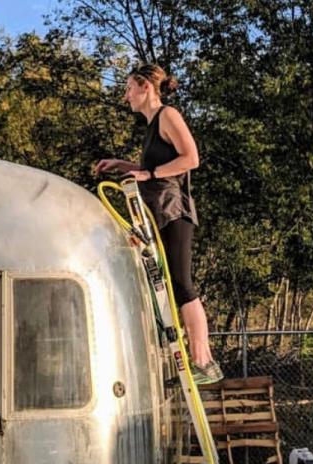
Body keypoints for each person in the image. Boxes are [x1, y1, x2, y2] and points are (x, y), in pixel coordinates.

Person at [95, 63, 223, 384]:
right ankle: (188, 358)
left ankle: (204, 362)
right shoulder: (153, 125)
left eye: (128, 89)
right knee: (167, 283)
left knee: (182, 283)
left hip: (174, 209)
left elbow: (190, 159)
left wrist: (148, 174)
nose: (125, 97)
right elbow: (155, 165)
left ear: (144, 87)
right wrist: (122, 164)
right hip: (158, 209)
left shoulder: (168, 115)